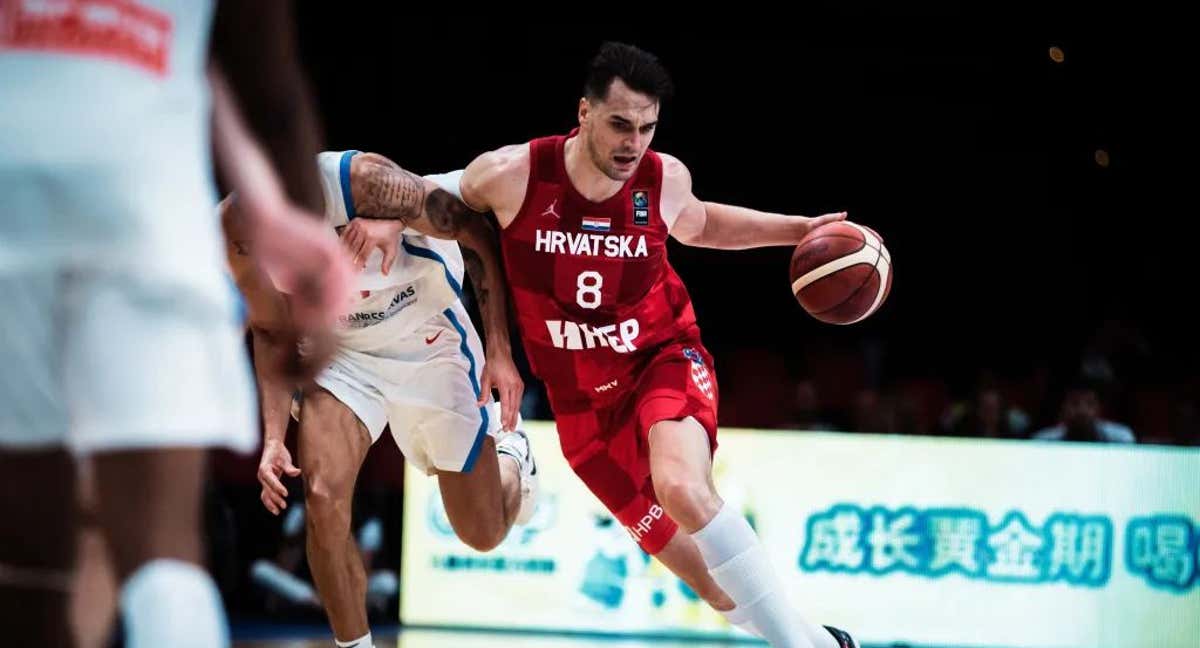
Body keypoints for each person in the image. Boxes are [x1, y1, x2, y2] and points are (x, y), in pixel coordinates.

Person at [452, 42, 861, 647]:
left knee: (684, 488)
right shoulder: (509, 175)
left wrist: (799, 230)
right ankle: (825, 643)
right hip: (583, 412)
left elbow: (701, 223)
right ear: (584, 112)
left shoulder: (662, 178)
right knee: (723, 593)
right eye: (619, 124)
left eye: (646, 127)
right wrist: (380, 214)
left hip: (661, 359)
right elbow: (447, 215)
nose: (632, 142)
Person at [0, 2, 352, 647]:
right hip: (141, 208)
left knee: (26, 558)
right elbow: (267, 91)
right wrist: (303, 242)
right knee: (161, 549)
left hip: (10, 194)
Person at [223, 149, 538, 648]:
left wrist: (500, 351)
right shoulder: (234, 230)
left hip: (426, 336)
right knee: (323, 496)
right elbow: (268, 327)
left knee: (482, 532)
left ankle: (514, 457)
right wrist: (274, 437)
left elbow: (476, 235)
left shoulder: (365, 183)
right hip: (342, 351)